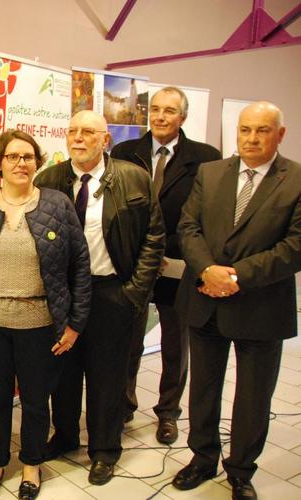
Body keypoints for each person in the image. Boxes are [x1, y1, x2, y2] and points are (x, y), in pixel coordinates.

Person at [172, 101, 300, 500]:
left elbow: (295, 246)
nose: (252, 138)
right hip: (205, 299)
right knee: (203, 388)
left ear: (279, 135)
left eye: (262, 130)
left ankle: (241, 470)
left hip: (261, 306)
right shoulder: (211, 173)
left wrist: (236, 276)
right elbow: (188, 226)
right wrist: (207, 269)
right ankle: (202, 458)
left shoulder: (296, 180)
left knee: (253, 396)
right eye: (245, 129)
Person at [34, 110, 164, 485]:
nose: (78, 138)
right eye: (72, 131)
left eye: (88, 132)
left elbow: (154, 237)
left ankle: (105, 449)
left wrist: (134, 293)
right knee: (64, 370)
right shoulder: (51, 180)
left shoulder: (133, 178)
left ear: (104, 140)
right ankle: (65, 435)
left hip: (112, 293)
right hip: (65, 295)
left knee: (108, 376)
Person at [0, 130, 91, 500]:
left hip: (41, 326)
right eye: (13, 157)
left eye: (29, 157)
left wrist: (75, 324)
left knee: (36, 401)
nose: (22, 163)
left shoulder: (57, 204)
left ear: (38, 162)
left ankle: (32, 464)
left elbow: (79, 265)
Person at [110, 86, 221, 444]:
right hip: (134, 263)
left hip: (178, 262)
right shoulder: (126, 152)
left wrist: (173, 250)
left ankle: (168, 412)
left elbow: (204, 214)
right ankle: (124, 405)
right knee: (128, 340)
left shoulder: (205, 157)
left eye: (169, 111)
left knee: (175, 344)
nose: (160, 116)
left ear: (182, 117)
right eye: (155, 109)